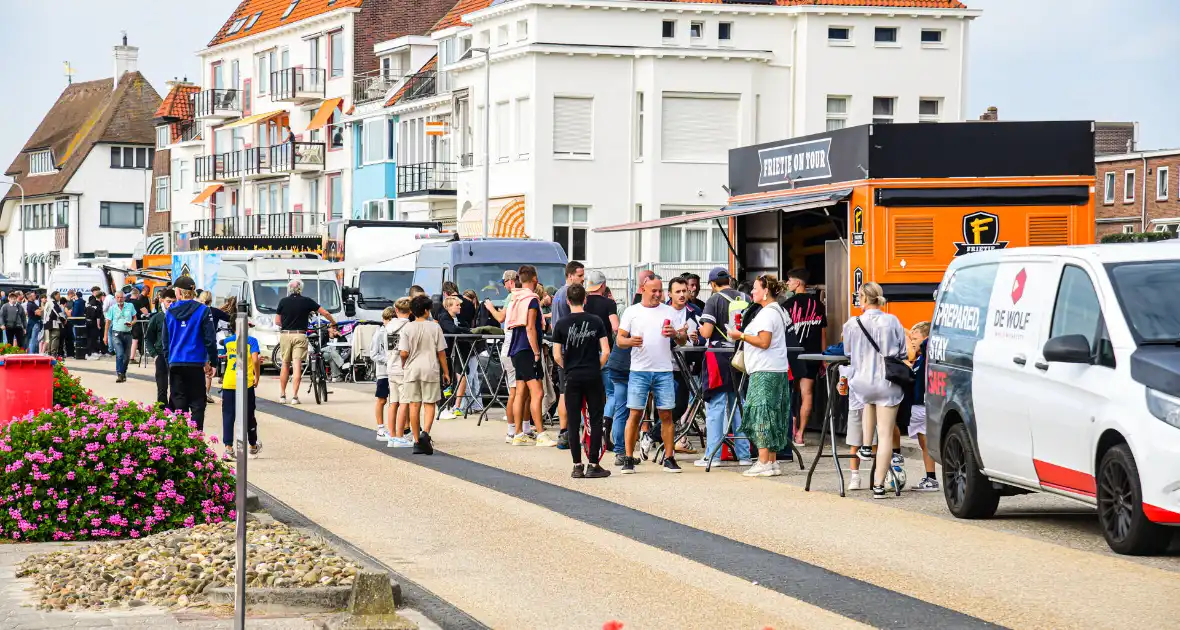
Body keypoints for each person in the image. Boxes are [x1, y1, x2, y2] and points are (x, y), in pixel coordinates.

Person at [617, 274, 689, 474]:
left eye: (660, 290)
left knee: (666, 414)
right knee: (635, 413)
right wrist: (630, 341)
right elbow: (620, 340)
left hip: (664, 370)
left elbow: (682, 340)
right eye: (654, 291)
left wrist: (676, 334)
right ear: (643, 289)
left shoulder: (668, 311)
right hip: (639, 370)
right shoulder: (632, 312)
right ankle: (628, 458)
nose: (658, 294)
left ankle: (669, 457)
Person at [843, 281, 908, 499]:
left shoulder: (852, 323)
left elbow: (848, 351)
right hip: (886, 382)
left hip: (862, 381)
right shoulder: (892, 321)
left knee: (868, 401)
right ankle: (879, 486)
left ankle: (864, 446)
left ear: (862, 298)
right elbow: (903, 351)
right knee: (886, 435)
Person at [727, 275, 793, 478]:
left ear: (766, 291)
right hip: (776, 369)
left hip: (764, 371)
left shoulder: (766, 314)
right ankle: (771, 461)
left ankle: (764, 461)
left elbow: (764, 341)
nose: (752, 292)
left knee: (761, 415)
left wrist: (741, 336)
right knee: (773, 414)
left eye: (755, 288)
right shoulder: (779, 311)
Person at [552, 284, 611, 479]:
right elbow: (606, 351)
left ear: (568, 301)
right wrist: (598, 366)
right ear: (585, 299)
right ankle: (593, 463)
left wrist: (568, 368)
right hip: (593, 374)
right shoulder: (595, 321)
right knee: (595, 419)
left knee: (573, 420)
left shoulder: (561, 324)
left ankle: (577, 465)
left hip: (572, 376)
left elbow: (556, 355)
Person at [695, 267, 752, 468]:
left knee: (717, 407)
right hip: (742, 356)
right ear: (729, 280)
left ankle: (713, 455)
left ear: (712, 284)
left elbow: (708, 331)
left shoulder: (714, 300)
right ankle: (744, 455)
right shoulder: (746, 298)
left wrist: (699, 329)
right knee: (739, 405)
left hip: (718, 358)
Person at [507, 265, 557, 446]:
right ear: (535, 278)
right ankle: (541, 434)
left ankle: (518, 433)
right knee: (538, 392)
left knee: (521, 391)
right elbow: (530, 327)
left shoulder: (515, 298)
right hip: (528, 349)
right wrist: (537, 351)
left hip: (515, 348)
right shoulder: (532, 300)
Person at [164, 276, 218, 432]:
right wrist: (213, 362)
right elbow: (210, 339)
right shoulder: (203, 310)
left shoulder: (170, 312)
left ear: (179, 291)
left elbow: (165, 341)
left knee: (179, 402)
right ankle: (196, 436)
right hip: (195, 362)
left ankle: (181, 438)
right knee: (197, 403)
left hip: (176, 362)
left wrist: (169, 360)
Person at [397, 295, 450, 455]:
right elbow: (441, 352)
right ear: (427, 311)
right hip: (430, 368)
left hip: (412, 369)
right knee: (429, 403)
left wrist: (403, 364)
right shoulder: (435, 327)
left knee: (414, 404)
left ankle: (416, 439)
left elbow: (403, 352)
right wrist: (446, 372)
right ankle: (425, 433)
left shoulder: (407, 328)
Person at [783, 268, 827, 447]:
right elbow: (823, 333)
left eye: (789, 280)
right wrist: (823, 356)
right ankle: (800, 434)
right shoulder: (818, 304)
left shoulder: (787, 305)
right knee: (806, 393)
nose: (787, 283)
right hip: (812, 354)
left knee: (788, 391)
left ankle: (791, 421)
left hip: (791, 354)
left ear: (798, 283)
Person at [276, 278, 337, 404]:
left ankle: (282, 395)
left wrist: (287, 324)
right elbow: (324, 313)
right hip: (300, 335)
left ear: (289, 289)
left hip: (285, 335)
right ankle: (295, 397)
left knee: (285, 364)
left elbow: (277, 321)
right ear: (300, 289)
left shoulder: (283, 301)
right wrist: (333, 322)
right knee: (297, 365)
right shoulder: (307, 301)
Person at [485, 270, 525, 444]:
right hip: (513, 347)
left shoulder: (511, 298)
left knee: (517, 390)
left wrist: (490, 308)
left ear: (510, 281)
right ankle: (514, 430)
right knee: (516, 390)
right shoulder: (515, 298)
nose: (503, 286)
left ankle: (519, 429)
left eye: (504, 283)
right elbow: (504, 317)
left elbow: (501, 317)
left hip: (510, 346)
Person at [549, 261, 586, 449]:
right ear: (570, 275)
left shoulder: (557, 294)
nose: (582, 280)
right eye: (580, 276)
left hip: (561, 348)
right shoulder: (567, 295)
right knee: (566, 393)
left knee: (565, 391)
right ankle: (565, 432)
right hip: (568, 350)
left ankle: (565, 431)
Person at [583, 271, 620, 449]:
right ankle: (606, 425)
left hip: (585, 355)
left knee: (589, 393)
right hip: (605, 352)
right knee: (611, 393)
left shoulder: (582, 303)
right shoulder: (609, 303)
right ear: (603, 285)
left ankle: (588, 431)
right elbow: (615, 327)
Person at [221, 324, 263, 460]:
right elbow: (255, 359)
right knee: (248, 414)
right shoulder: (251, 341)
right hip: (245, 382)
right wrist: (257, 375)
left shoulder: (227, 341)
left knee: (228, 415)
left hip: (229, 382)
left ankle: (228, 448)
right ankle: (252, 445)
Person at [908, 321, 938, 491]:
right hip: (917, 404)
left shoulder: (927, 353)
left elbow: (928, 342)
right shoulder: (919, 358)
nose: (912, 341)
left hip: (924, 404)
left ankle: (931, 478)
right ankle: (930, 477)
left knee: (926, 441)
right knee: (922, 441)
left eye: (915, 338)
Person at [384, 298, 414, 448]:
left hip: (390, 367)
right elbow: (407, 350)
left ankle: (392, 435)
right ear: (411, 311)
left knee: (393, 402)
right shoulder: (409, 327)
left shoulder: (389, 326)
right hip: (403, 368)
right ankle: (400, 436)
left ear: (395, 310)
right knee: (404, 403)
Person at [145, 289, 176, 407]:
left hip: (175, 355)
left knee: (175, 385)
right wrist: (154, 354)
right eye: (168, 301)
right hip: (161, 354)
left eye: (173, 301)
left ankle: (173, 409)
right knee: (162, 386)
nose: (171, 304)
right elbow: (148, 338)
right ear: (162, 300)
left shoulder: (178, 316)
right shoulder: (157, 317)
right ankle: (161, 410)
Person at [372, 307, 394, 440]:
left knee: (395, 400)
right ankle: (380, 428)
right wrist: (388, 359)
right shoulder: (379, 333)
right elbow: (374, 354)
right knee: (382, 399)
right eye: (387, 320)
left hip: (395, 371)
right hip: (383, 372)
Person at [105, 291, 136, 382]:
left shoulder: (130, 306)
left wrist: (132, 323)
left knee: (126, 357)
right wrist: (105, 335)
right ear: (115, 298)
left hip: (127, 333)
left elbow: (135, 318)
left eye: (121, 297)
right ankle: (119, 373)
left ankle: (123, 372)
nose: (119, 299)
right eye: (117, 297)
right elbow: (107, 322)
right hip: (116, 334)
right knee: (120, 354)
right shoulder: (112, 308)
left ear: (124, 298)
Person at [128, 286, 151, 363]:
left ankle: (126, 356)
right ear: (137, 294)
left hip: (126, 322)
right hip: (136, 323)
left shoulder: (126, 301)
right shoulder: (137, 302)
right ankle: (131, 358)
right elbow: (146, 312)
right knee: (135, 340)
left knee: (128, 340)